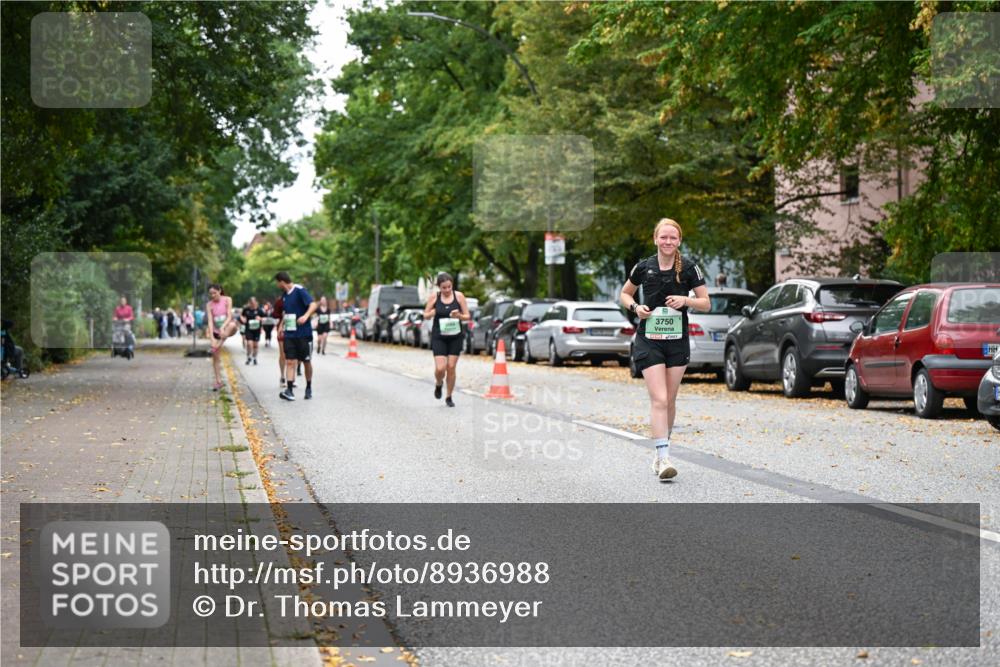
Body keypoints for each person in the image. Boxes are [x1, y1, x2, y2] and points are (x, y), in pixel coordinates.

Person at [619, 218, 709, 481]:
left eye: (673, 238)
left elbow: (706, 303)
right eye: (663, 237)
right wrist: (636, 308)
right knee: (659, 399)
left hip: (677, 339)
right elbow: (625, 294)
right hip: (649, 339)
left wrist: (686, 299)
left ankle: (660, 454)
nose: (668, 242)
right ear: (655, 239)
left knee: (669, 400)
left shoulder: (690, 268)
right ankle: (665, 457)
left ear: (678, 241)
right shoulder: (644, 267)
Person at [423, 272, 470, 407]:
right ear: (439, 287)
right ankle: (439, 383)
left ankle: (449, 396)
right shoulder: (434, 297)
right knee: (440, 368)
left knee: (451, 367)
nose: (447, 290)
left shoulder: (459, 296)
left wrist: (459, 316)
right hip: (439, 337)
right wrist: (432, 313)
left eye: (449, 287)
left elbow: (467, 316)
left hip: (455, 337)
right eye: (444, 288)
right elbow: (425, 315)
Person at [275, 272, 317, 401]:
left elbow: (313, 304)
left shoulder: (299, 290)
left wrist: (305, 316)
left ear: (282, 281)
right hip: (290, 333)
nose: (277, 285)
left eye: (277, 282)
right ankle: (289, 390)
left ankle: (308, 387)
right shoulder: (284, 296)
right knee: (290, 361)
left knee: (306, 361)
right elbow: (286, 313)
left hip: (303, 334)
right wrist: (281, 325)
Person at [206, 283, 238, 391]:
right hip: (216, 332)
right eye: (210, 294)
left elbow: (229, 316)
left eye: (214, 293)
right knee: (215, 357)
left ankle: (217, 344)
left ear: (219, 291)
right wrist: (212, 339)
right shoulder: (209, 305)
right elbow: (210, 322)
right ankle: (218, 381)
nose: (213, 295)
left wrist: (223, 327)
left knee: (232, 325)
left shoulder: (227, 299)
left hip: (228, 328)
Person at [240, 296, 264, 365]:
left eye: (254, 303)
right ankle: (248, 357)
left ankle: (254, 358)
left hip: (257, 330)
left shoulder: (259, 310)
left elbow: (265, 318)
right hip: (248, 329)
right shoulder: (246, 309)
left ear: (256, 303)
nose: (252, 304)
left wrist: (260, 319)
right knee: (249, 344)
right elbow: (241, 316)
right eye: (251, 303)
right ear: (249, 303)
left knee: (255, 345)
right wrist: (243, 319)